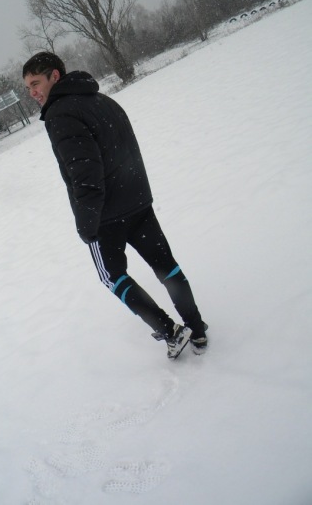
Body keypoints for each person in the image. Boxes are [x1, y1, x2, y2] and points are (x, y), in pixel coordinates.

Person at [23, 51, 208, 359]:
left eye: (35, 83)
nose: (32, 93)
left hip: (106, 216)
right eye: (28, 87)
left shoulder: (59, 114)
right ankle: (197, 329)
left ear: (55, 76)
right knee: (165, 265)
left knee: (112, 276)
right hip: (137, 201)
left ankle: (171, 332)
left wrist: (87, 224)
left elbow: (85, 174)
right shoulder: (102, 100)